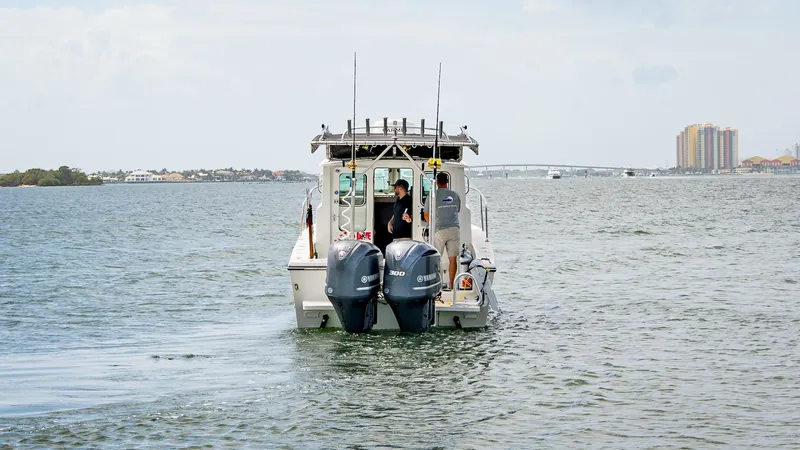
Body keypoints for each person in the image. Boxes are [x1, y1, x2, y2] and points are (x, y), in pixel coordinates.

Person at [423, 172, 461, 290]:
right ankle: (451, 285)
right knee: (452, 258)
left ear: (437, 182)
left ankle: (436, 285)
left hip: (439, 230)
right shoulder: (455, 195)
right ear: (447, 181)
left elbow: (426, 214)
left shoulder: (432, 195)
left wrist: (432, 225)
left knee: (436, 258)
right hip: (454, 229)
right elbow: (457, 210)